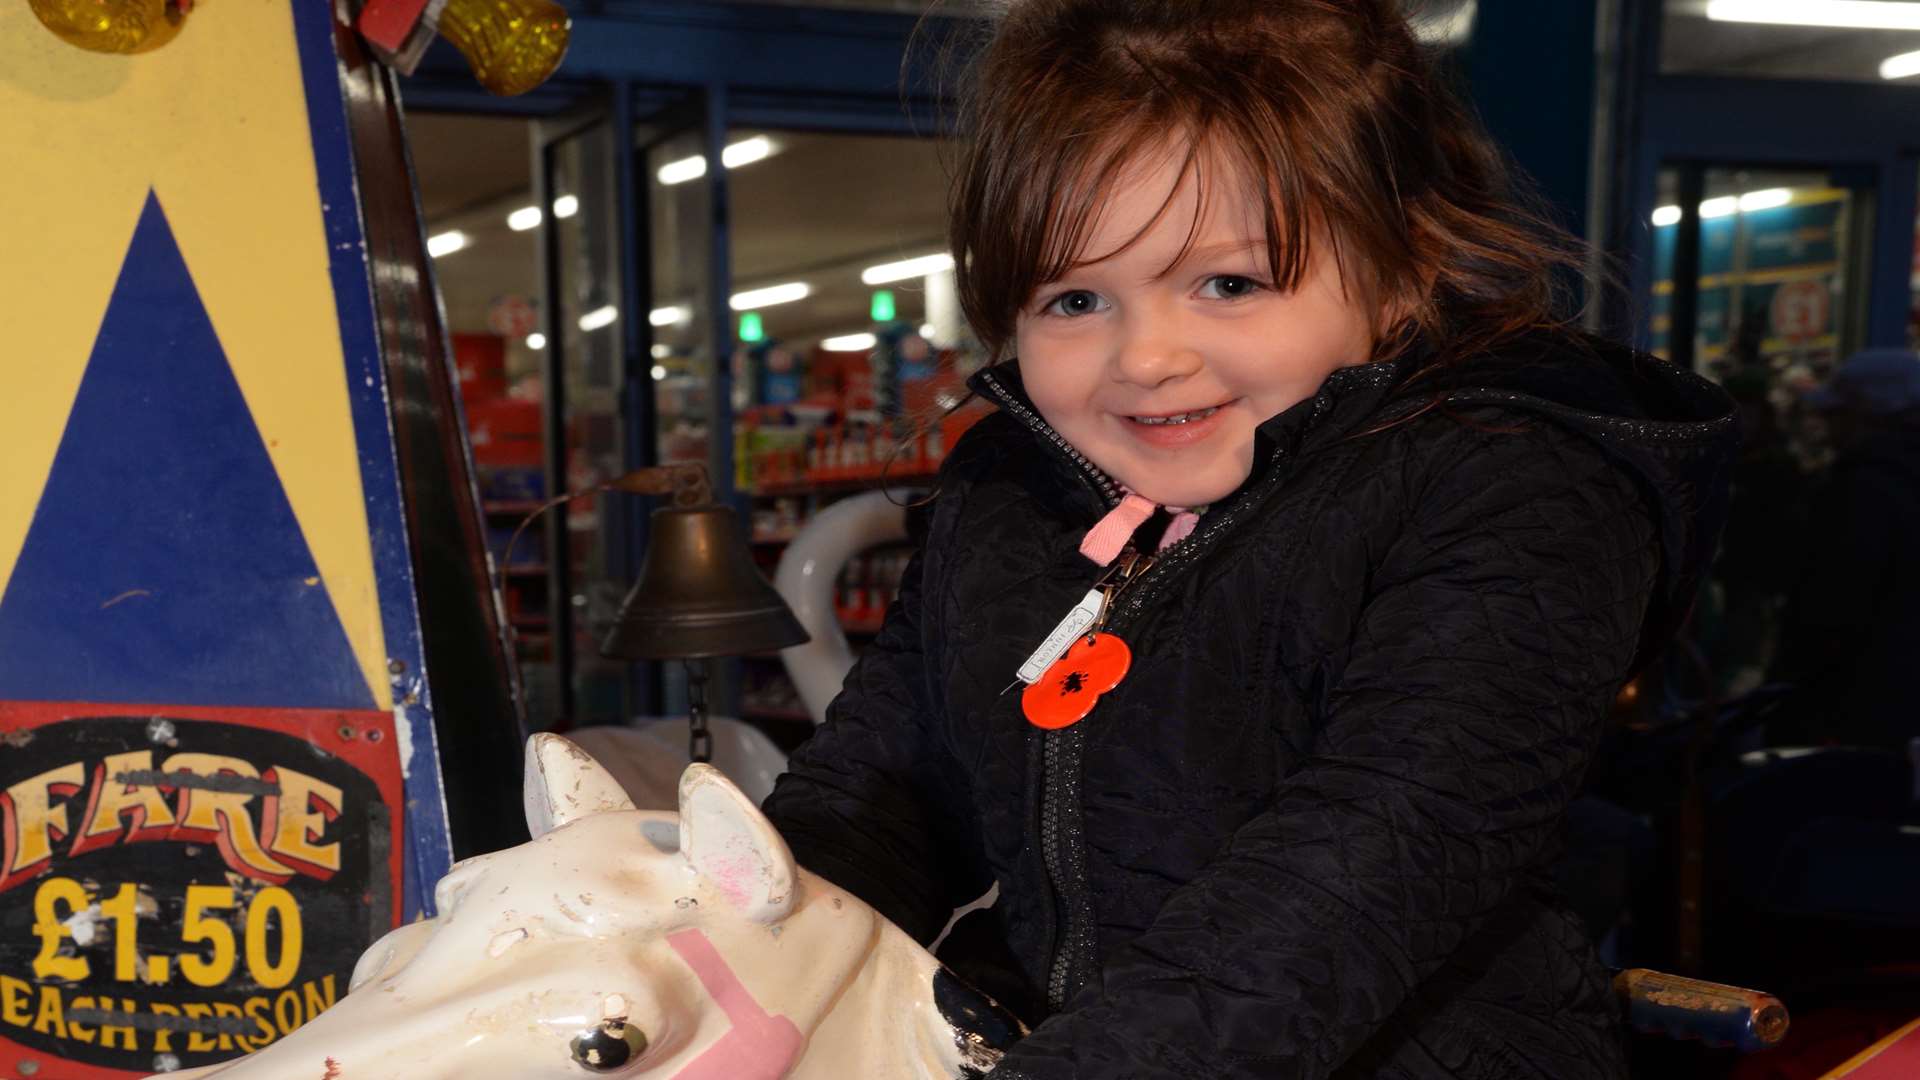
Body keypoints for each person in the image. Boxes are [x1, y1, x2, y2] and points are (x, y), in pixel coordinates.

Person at [761, 2, 1737, 1076]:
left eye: (1228, 283)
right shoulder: (1013, 491)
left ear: (1402, 266)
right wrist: (722, 941)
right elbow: (886, 781)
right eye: (1075, 298)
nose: (1146, 357)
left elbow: (1375, 860)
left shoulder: (1513, 487)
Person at [1770, 348, 1920, 750]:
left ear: (1868, 417)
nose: (1826, 425)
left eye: (1838, 414)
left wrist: (1792, 697)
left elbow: (1830, 609)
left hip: (1855, 709)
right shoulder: (1883, 483)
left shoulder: (1861, 491)